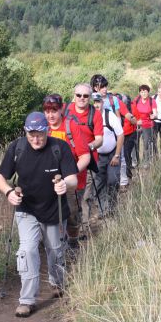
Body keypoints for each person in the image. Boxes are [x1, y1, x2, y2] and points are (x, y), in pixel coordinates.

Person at [0, 112, 78, 318]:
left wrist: (64, 185)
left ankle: (57, 281)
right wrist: (8, 192)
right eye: (31, 134)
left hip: (54, 208)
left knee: (55, 250)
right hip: (27, 209)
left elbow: (73, 179)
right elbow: (0, 176)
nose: (36, 139)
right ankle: (27, 300)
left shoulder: (59, 147)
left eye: (40, 134)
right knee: (28, 250)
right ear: (25, 132)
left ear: (47, 130)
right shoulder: (17, 148)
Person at [43, 94, 91, 246]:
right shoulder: (42, 128)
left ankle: (73, 241)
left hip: (73, 180)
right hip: (49, 179)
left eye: (54, 111)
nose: (50, 115)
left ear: (61, 109)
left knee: (71, 212)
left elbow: (85, 156)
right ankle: (51, 242)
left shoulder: (71, 126)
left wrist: (70, 173)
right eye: (47, 111)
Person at [64, 83, 103, 219]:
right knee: (67, 196)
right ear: (74, 96)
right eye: (78, 95)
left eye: (85, 96)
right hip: (66, 161)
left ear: (90, 97)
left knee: (84, 197)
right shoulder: (66, 111)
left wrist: (88, 147)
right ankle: (69, 228)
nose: (82, 98)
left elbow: (99, 140)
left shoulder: (95, 114)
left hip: (87, 161)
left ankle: (84, 227)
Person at [91, 93, 124, 213]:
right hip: (97, 156)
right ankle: (102, 209)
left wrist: (117, 155)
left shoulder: (110, 116)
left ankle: (112, 206)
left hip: (112, 154)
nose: (96, 105)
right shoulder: (90, 118)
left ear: (102, 103)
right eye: (94, 102)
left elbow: (120, 134)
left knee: (112, 180)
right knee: (99, 182)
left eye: (98, 102)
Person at [133, 84, 157, 166]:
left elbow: (155, 113)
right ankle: (135, 161)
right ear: (139, 93)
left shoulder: (152, 101)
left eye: (145, 92)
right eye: (142, 92)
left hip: (148, 124)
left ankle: (146, 161)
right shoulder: (136, 100)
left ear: (148, 92)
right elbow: (132, 111)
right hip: (137, 124)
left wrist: (154, 116)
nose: (143, 93)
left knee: (146, 143)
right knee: (135, 143)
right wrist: (135, 121)